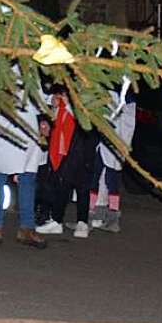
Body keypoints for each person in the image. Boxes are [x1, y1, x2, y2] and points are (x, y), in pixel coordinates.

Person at [0, 89, 47, 249]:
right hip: (6, 127)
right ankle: (1, 227)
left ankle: (7, 227)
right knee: (3, 176)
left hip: (19, 128)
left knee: (20, 178)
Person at [36, 90, 99, 239]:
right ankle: (57, 220)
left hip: (82, 149)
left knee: (82, 186)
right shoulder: (60, 103)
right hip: (64, 151)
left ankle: (82, 222)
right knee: (61, 184)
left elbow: (87, 120)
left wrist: (69, 103)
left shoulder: (85, 96)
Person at [90, 95, 136, 233]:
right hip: (103, 141)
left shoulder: (127, 100)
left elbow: (126, 124)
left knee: (111, 179)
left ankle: (112, 219)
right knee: (95, 177)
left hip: (115, 143)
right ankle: (92, 215)